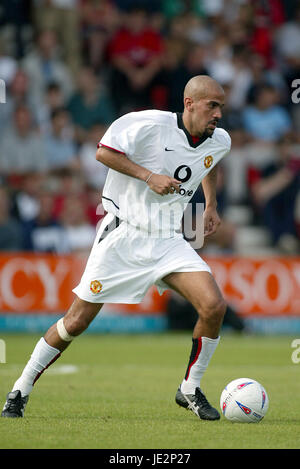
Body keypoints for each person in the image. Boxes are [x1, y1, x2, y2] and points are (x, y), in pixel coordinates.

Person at [2, 75, 231, 421]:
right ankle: (20, 389)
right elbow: (103, 151)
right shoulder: (148, 124)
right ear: (189, 104)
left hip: (167, 239)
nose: (218, 114)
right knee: (75, 322)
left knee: (213, 305)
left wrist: (210, 204)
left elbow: (209, 162)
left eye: (221, 107)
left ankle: (189, 389)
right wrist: (147, 176)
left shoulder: (219, 139)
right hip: (123, 235)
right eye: (212, 106)